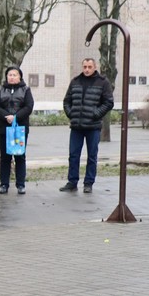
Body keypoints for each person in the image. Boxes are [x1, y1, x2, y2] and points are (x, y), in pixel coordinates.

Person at [60, 58, 113, 194]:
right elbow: (66, 101)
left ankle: (88, 183)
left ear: (95, 67)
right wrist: (71, 113)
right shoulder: (75, 81)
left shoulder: (102, 82)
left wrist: (96, 113)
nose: (87, 69)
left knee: (92, 156)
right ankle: (72, 182)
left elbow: (108, 102)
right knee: (73, 155)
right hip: (76, 126)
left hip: (93, 126)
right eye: (85, 67)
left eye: (89, 67)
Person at [0, 66, 34, 194]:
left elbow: (28, 106)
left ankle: (20, 184)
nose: (11, 77)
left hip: (20, 128)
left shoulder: (26, 90)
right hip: (4, 127)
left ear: (20, 77)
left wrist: (15, 117)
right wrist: (7, 116)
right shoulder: (1, 89)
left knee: (20, 156)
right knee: (5, 157)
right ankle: (4, 184)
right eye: (9, 75)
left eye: (14, 75)